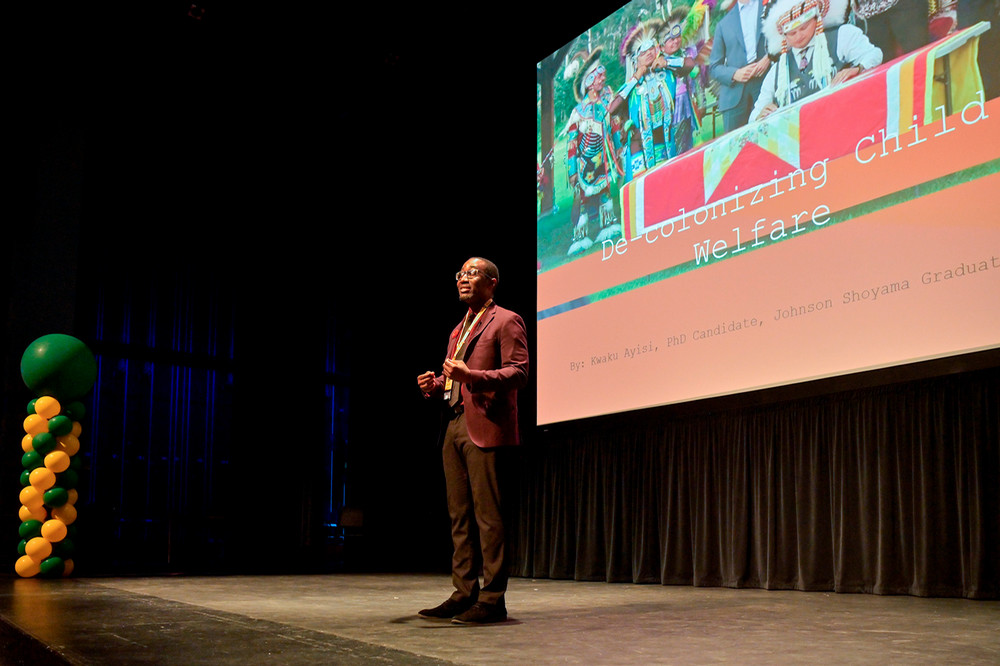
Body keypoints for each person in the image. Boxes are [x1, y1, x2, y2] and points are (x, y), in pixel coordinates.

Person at [416, 257, 529, 625]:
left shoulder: (506, 320)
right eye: (461, 274)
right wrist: (436, 386)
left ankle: (493, 598)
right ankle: (464, 592)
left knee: (488, 517)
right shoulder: (457, 330)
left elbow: (519, 372)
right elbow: (456, 379)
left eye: (473, 273)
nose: (464, 279)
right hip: (453, 424)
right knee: (459, 516)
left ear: (492, 282)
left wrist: (473, 376)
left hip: (486, 426)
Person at [750, 0, 883, 121]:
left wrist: (858, 68)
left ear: (817, 19)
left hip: (846, 118)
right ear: (784, 36)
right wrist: (760, 115)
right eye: (792, 33)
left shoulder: (842, 35)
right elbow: (755, 114)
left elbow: (874, 54)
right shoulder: (778, 70)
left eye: (804, 27)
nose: (799, 36)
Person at [565, 48, 621, 254]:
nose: (602, 78)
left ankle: (608, 226)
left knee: (606, 192)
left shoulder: (606, 102)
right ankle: (580, 236)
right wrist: (572, 171)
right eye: (597, 75)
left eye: (602, 74)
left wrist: (620, 149)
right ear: (588, 82)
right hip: (585, 164)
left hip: (604, 160)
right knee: (583, 200)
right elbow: (572, 143)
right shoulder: (578, 113)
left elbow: (613, 127)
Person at [611, 21, 677, 181]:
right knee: (643, 188)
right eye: (643, 52)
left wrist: (666, 62)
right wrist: (636, 77)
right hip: (638, 146)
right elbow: (612, 109)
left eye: (650, 49)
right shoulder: (631, 86)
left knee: (666, 182)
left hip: (664, 141)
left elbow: (690, 65)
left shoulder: (666, 74)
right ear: (634, 60)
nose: (648, 53)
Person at [709, 0, 772, 132]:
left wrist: (769, 57)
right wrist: (734, 74)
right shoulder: (723, 24)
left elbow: (786, 35)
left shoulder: (770, 5)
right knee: (737, 149)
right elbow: (714, 67)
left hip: (765, 84)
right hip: (734, 96)